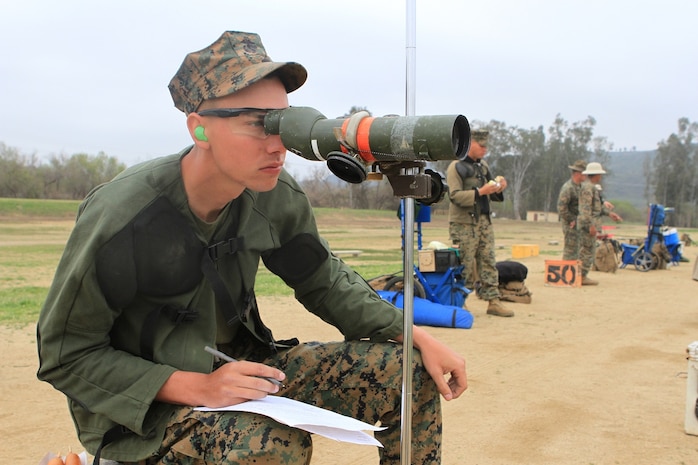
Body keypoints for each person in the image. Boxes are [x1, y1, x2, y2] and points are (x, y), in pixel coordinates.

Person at [36, 31, 467, 465]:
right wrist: (197, 387)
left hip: (242, 369)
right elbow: (66, 353)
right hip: (149, 412)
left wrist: (412, 334)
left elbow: (324, 282)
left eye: (283, 124)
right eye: (258, 123)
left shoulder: (273, 193)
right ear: (199, 127)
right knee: (271, 446)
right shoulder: (123, 213)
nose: (278, 144)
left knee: (412, 375)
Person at [445, 130, 513, 317]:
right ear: (470, 144)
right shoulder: (456, 167)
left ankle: (493, 301)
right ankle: (459, 303)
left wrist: (498, 189)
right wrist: (481, 192)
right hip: (464, 224)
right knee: (463, 265)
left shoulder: (482, 166)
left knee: (489, 261)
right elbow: (454, 196)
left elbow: (492, 194)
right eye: (481, 146)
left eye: (486, 146)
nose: (484, 149)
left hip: (483, 221)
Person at [577, 162, 623, 285]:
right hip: (588, 226)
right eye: (599, 175)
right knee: (587, 251)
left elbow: (597, 208)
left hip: (591, 224)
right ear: (596, 175)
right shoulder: (587, 188)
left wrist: (609, 214)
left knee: (589, 250)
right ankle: (581, 277)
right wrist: (590, 225)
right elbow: (585, 209)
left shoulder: (592, 188)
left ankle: (581, 275)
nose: (601, 177)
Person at [557, 160, 587, 262]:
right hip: (571, 224)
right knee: (570, 251)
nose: (586, 176)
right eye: (584, 173)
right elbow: (561, 207)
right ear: (578, 174)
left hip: (579, 223)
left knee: (578, 251)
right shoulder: (568, 188)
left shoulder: (581, 187)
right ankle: (567, 275)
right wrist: (571, 219)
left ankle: (576, 275)